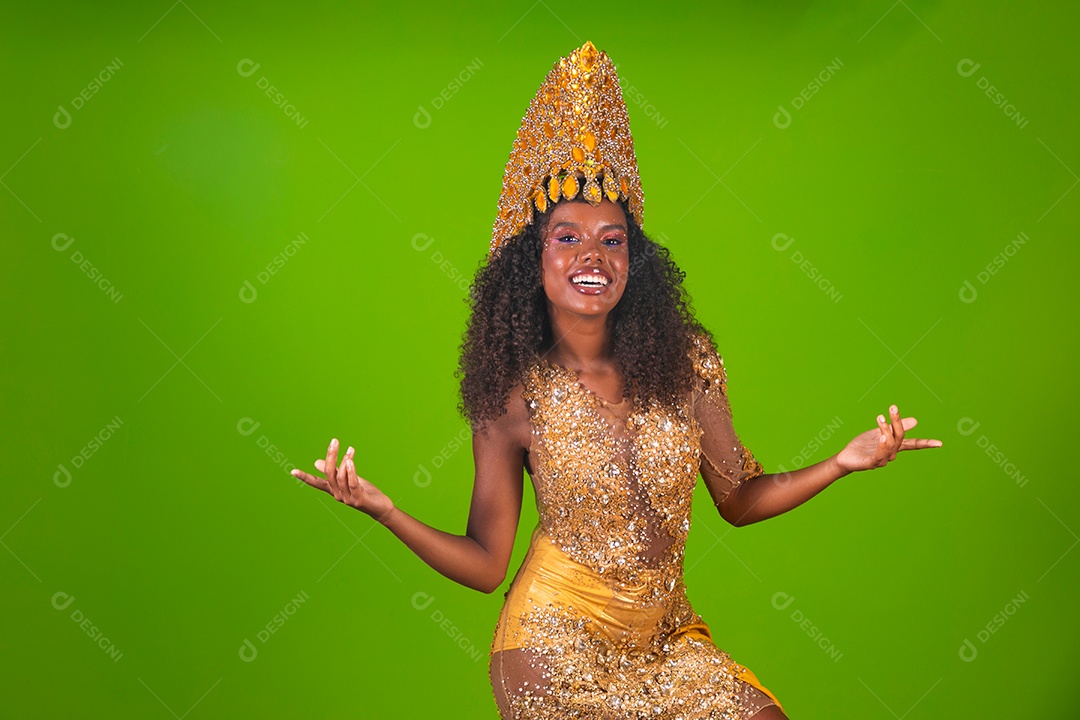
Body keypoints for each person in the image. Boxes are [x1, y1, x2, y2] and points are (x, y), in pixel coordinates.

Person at [292, 41, 942, 719]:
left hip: (666, 639)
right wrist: (384, 510)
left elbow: (739, 499)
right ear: (533, 261)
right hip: (552, 647)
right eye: (567, 237)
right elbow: (487, 563)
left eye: (612, 239)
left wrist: (840, 463)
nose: (593, 256)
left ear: (636, 259)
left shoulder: (687, 361)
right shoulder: (513, 392)